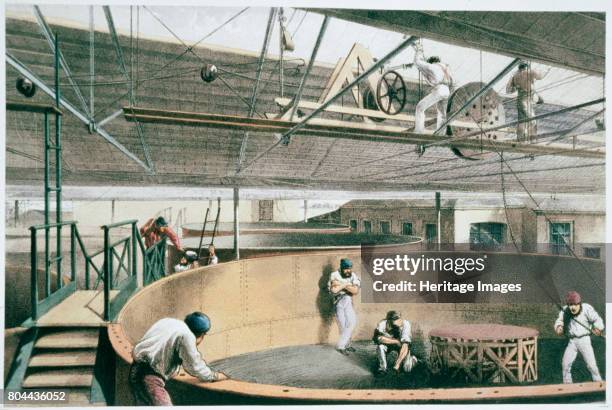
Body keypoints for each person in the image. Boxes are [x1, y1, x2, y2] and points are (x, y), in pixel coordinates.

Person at [129, 312, 228, 405]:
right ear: (202, 335)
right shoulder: (187, 336)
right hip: (150, 379)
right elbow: (195, 366)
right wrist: (215, 376)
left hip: (136, 371)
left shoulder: (169, 322)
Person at [554, 291, 604, 384]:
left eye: (575, 305)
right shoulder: (565, 310)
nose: (572, 307)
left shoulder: (587, 309)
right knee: (565, 364)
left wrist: (598, 328)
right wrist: (559, 327)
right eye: (570, 305)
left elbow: (597, 319)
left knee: (592, 365)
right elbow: (559, 321)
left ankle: (598, 383)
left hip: (584, 340)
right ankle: (568, 386)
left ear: (579, 303)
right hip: (572, 341)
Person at [412, 40, 454, 134]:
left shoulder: (432, 67)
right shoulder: (446, 67)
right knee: (442, 114)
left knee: (420, 107)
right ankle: (440, 134)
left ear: (431, 62)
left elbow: (417, 62)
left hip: (439, 89)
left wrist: (418, 51)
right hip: (447, 91)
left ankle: (418, 132)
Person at [505, 61, 549, 142]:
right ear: (527, 66)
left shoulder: (514, 76)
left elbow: (508, 90)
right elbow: (540, 76)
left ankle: (520, 139)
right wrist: (548, 68)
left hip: (520, 101)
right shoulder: (529, 72)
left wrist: (518, 87)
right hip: (526, 102)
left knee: (521, 121)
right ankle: (532, 140)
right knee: (532, 121)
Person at [328, 258, 361, 355]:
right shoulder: (334, 274)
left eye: (349, 268)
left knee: (352, 322)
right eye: (346, 269)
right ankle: (346, 345)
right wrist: (348, 285)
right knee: (343, 325)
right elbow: (334, 291)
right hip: (338, 302)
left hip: (348, 300)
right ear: (341, 268)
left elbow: (355, 291)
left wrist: (341, 285)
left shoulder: (353, 275)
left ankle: (341, 345)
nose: (348, 270)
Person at [373, 310, 417, 375]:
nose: (396, 321)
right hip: (389, 344)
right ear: (388, 320)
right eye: (392, 319)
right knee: (380, 347)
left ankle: (413, 360)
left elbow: (405, 345)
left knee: (407, 369)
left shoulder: (406, 324)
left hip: (401, 346)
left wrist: (397, 365)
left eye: (397, 319)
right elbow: (378, 338)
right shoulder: (382, 323)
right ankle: (383, 369)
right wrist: (395, 341)